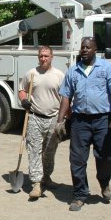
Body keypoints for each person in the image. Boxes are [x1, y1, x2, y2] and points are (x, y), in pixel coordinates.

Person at [55, 37, 111, 211]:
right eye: (82, 47)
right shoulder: (73, 71)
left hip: (103, 120)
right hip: (80, 121)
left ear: (95, 49)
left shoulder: (107, 68)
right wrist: (59, 121)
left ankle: (104, 183)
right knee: (77, 160)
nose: (84, 50)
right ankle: (80, 195)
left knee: (106, 156)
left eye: (88, 47)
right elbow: (66, 97)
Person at [18, 45, 65, 200]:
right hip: (35, 117)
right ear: (38, 57)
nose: (43, 59)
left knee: (49, 152)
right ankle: (36, 184)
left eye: (46, 56)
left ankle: (46, 177)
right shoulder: (31, 74)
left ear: (52, 57)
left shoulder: (59, 75)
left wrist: (66, 119)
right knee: (34, 150)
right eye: (41, 56)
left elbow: (65, 98)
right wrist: (24, 100)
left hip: (53, 118)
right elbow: (22, 90)